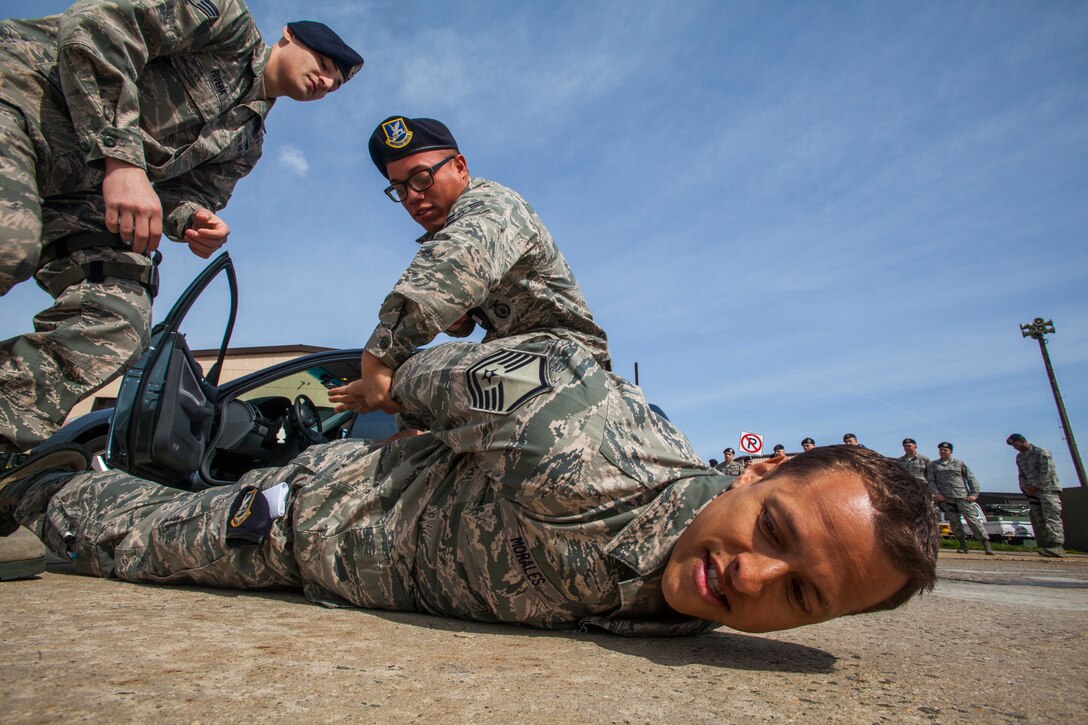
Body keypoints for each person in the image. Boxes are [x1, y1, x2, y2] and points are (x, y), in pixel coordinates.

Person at [0, 334, 939, 635]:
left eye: (805, 594)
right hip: (306, 522)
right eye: (773, 528)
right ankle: (42, 480)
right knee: (118, 540)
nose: (755, 577)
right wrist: (390, 384)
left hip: (351, 572)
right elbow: (473, 373)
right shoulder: (589, 444)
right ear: (759, 468)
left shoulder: (694, 604)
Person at [0, 1, 364, 459]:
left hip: (79, 193)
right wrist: (123, 158)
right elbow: (98, 26)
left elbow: (183, 195)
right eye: (325, 63)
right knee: (9, 243)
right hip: (23, 103)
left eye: (335, 83)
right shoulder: (223, 23)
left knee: (118, 319)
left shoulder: (246, 143)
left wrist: (193, 220)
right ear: (288, 35)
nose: (327, 81)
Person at [327, 116, 609, 417]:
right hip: (522, 359)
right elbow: (468, 311)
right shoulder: (453, 225)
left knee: (419, 371)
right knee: (421, 384)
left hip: (565, 360)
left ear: (460, 167)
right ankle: (412, 438)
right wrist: (458, 319)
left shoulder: (491, 204)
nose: (412, 197)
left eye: (421, 178)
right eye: (399, 189)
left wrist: (377, 360)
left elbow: (452, 267)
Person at [927, 442, 993, 555]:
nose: (942, 452)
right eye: (941, 450)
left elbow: (971, 479)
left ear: (951, 451)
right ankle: (963, 545)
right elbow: (931, 481)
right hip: (946, 498)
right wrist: (937, 493)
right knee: (955, 523)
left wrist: (974, 494)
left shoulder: (959, 463)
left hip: (962, 497)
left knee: (973, 521)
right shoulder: (934, 465)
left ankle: (986, 544)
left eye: (945, 450)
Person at [1007, 434, 1065, 557]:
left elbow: (1048, 471)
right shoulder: (1020, 457)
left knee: (1051, 517)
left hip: (1047, 490)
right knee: (1040, 519)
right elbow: (1021, 474)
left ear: (1022, 441)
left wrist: (1037, 486)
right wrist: (1023, 487)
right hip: (1031, 493)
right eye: (1013, 446)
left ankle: (1057, 546)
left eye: (1016, 445)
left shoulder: (1041, 452)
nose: (1015, 448)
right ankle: (1049, 545)